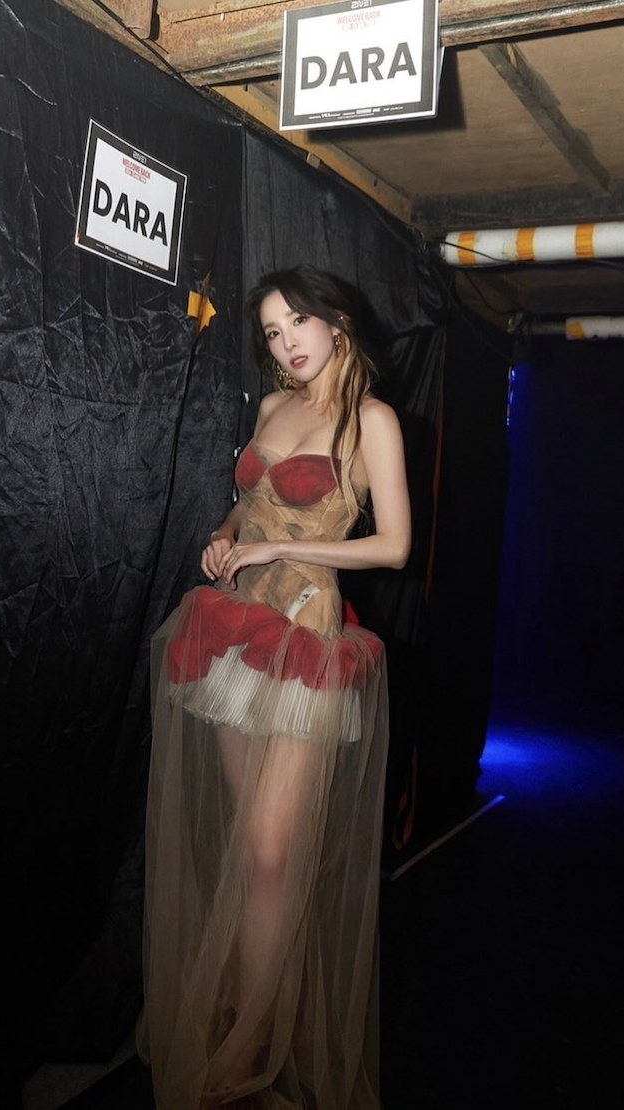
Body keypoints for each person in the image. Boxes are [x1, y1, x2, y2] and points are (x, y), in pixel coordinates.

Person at [137, 265, 411, 1109]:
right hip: (234, 630)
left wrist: (278, 550)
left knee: (268, 850)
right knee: (247, 847)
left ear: (337, 320)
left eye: (297, 322)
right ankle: (251, 1007)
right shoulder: (269, 408)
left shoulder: (371, 419)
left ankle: (252, 1041)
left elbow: (393, 546)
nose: (286, 342)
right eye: (271, 331)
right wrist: (228, 537)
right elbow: (247, 504)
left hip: (306, 635)